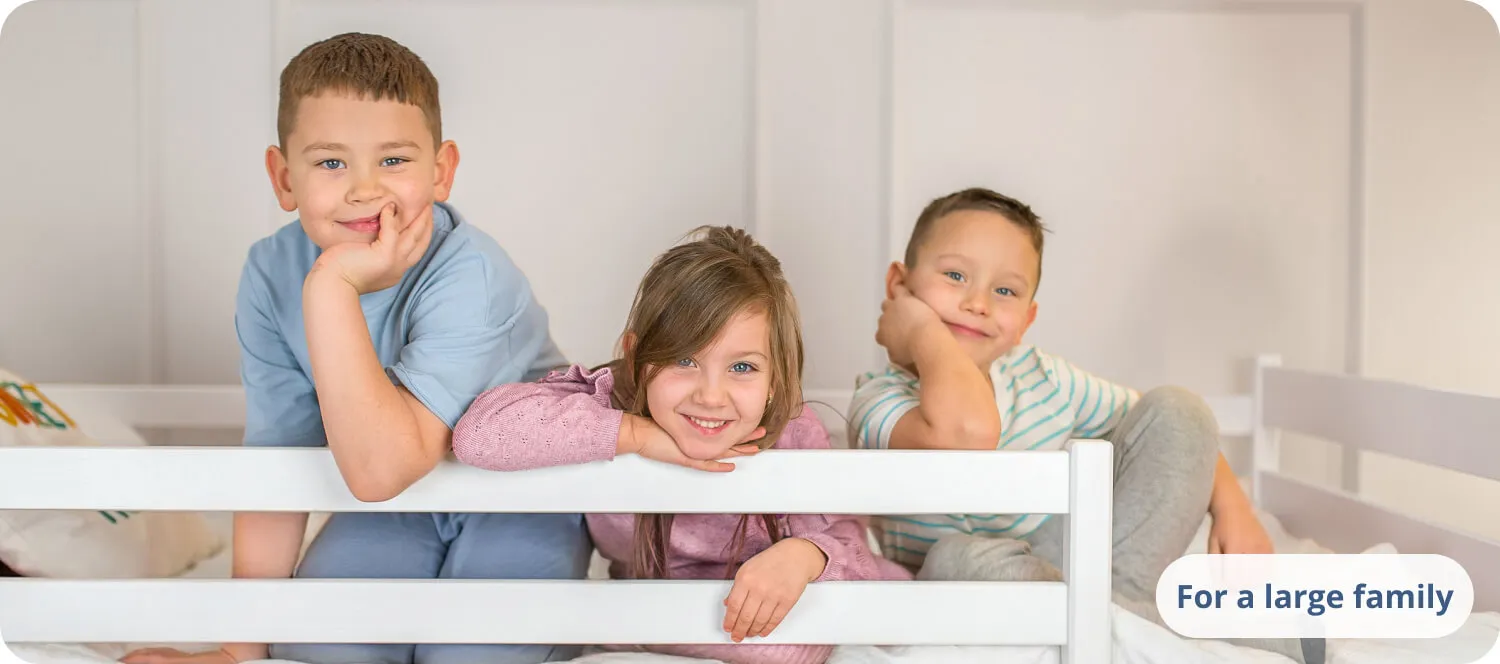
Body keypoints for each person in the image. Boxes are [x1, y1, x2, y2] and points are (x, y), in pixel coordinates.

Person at [121, 33, 590, 664]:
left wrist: (332, 286)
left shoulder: (473, 273)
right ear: (284, 179)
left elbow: (380, 468)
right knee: (320, 647)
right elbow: (278, 464)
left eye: (394, 161)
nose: (365, 190)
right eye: (331, 163)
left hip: (520, 499)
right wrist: (238, 650)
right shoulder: (270, 271)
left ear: (441, 171)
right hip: (397, 508)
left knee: (472, 655)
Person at [849, 187, 1318, 664]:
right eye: (954, 275)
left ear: (1027, 319)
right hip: (969, 583)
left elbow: (1163, 429)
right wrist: (922, 330)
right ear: (898, 287)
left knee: (1179, 409)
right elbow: (968, 431)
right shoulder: (878, 400)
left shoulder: (1043, 377)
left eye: (1005, 291)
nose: (978, 303)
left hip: (1072, 566)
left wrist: (1235, 509)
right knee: (953, 557)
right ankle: (1173, 626)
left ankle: (1116, 615)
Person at [452, 226, 912, 664]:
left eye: (743, 368)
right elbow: (479, 434)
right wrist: (635, 435)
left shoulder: (790, 431)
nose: (710, 396)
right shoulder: (609, 404)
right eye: (684, 360)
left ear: (775, 380)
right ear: (637, 356)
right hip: (664, 608)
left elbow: (801, 636)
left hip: (791, 596)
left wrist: (804, 556)